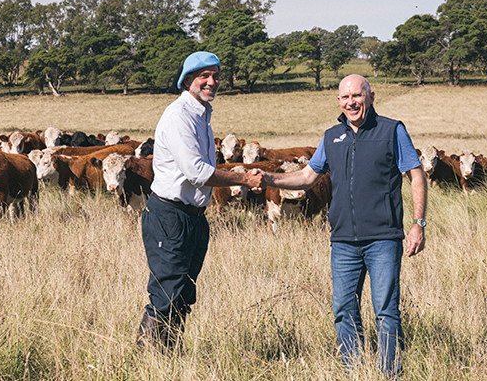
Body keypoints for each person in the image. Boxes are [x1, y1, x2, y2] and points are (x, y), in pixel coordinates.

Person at [260, 74, 427, 376]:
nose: (351, 102)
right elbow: (307, 177)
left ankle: (390, 373)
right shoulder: (331, 136)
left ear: (371, 97)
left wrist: (418, 223)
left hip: (383, 238)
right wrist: (266, 178)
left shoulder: (392, 131)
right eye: (345, 97)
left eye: (357, 96)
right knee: (343, 312)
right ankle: (354, 371)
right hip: (343, 241)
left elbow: (416, 174)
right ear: (338, 101)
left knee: (386, 312)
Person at [136, 51, 263, 351]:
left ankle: (170, 353)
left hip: (193, 217)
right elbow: (196, 172)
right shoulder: (179, 116)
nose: (211, 81)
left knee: (184, 292)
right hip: (170, 215)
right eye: (203, 75)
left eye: (216, 75)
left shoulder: (202, 116)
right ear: (188, 80)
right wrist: (244, 179)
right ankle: (148, 358)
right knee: (167, 289)